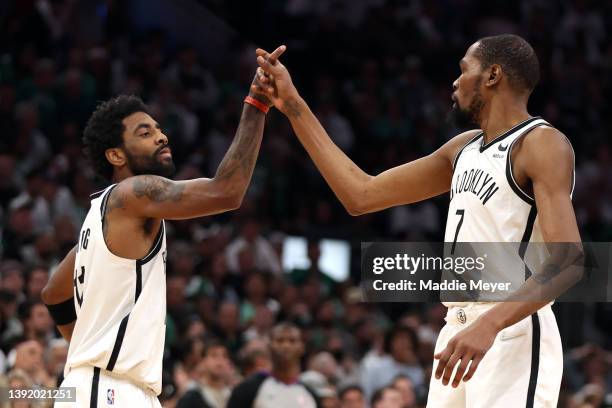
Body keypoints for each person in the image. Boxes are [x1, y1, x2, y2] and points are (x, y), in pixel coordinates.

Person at [253, 34, 581, 407]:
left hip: (512, 329)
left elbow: (568, 260)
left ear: (492, 75)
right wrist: (293, 104)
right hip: (457, 328)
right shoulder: (463, 148)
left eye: (464, 69)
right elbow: (360, 194)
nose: (455, 81)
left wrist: (491, 323)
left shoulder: (541, 143)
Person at [41, 45, 287, 407]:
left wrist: (84, 349)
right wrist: (257, 104)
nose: (161, 136)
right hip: (107, 389)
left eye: (158, 129)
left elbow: (53, 292)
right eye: (144, 132)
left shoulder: (101, 220)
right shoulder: (133, 192)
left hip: (109, 387)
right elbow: (226, 191)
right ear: (115, 155)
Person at [227, 322, 320, 408]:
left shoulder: (311, 395)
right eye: (280, 340)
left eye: (292, 341)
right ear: (269, 346)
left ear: (302, 348)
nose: (286, 346)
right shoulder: (249, 388)